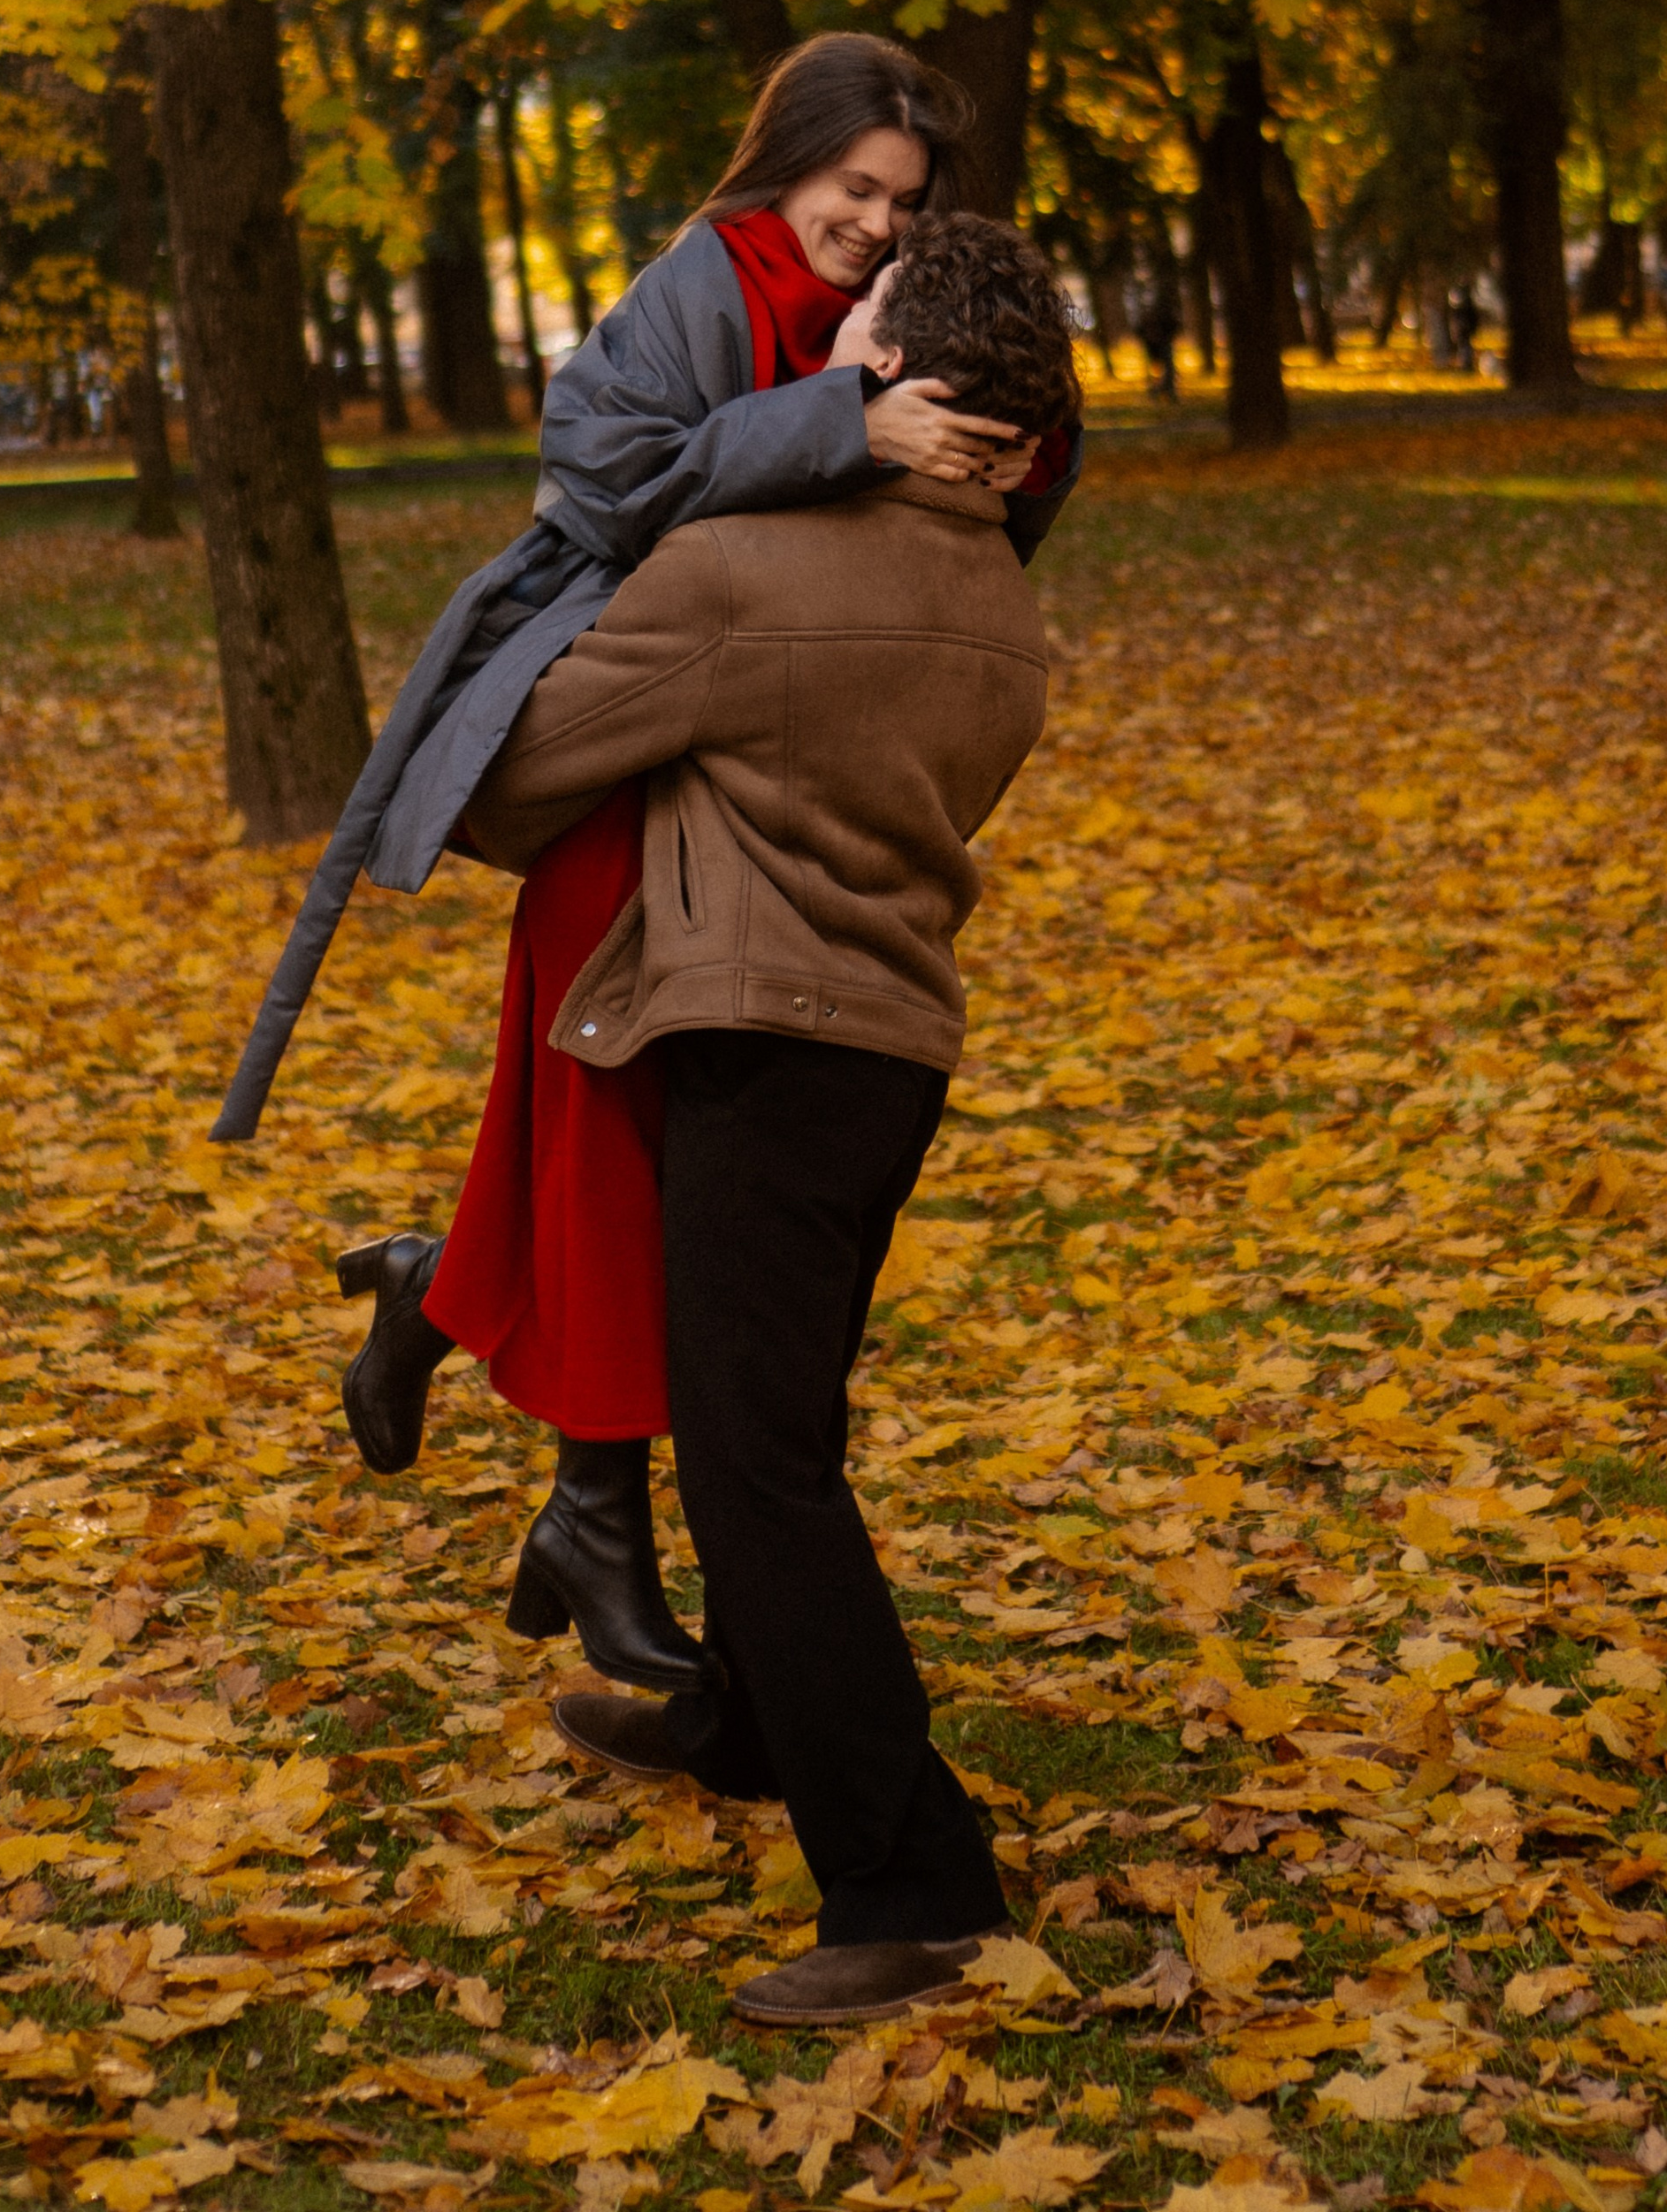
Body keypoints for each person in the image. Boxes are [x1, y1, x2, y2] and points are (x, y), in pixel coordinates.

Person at [221, 36, 1075, 1683]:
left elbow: (993, 439)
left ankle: (458, 1320)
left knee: (626, 1163)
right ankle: (583, 1500)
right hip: (633, 738)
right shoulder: (685, 299)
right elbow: (614, 491)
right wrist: (850, 427)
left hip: (762, 768)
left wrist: (984, 435)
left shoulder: (891, 311)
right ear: (786, 166)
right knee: (609, 1154)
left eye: (903, 206)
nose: (875, 230)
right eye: (851, 192)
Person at [458, 215, 1078, 2030]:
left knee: (754, 1469)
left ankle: (914, 1885)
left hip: (751, 1043)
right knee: (771, 1413)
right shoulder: (1004, 606)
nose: (819, 340)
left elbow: (505, 785)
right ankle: (739, 1723)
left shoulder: (741, 575)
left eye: (853, 326)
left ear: (890, 379)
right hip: (888, 1055)